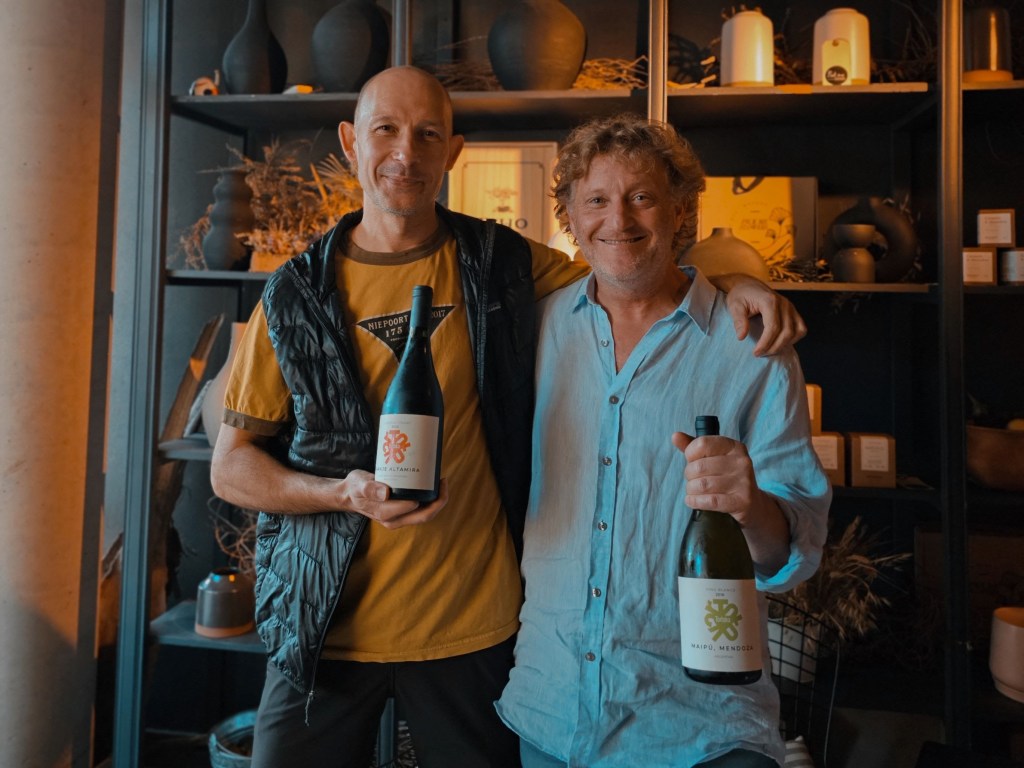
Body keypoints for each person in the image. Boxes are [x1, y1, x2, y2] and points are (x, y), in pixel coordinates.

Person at [209, 66, 806, 768]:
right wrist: (338, 493)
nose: (406, 153)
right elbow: (231, 466)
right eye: (386, 130)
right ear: (349, 141)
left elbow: (627, 265)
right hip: (322, 626)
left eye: (428, 134)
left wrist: (736, 282)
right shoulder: (294, 293)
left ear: (453, 151)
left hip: (474, 634)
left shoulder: (503, 266)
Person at [494, 113, 832, 768]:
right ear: (570, 216)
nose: (617, 219)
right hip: (550, 714)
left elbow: (794, 554)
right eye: (596, 199)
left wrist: (750, 506)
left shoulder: (751, 346)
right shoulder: (531, 332)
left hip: (700, 729)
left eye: (642, 196)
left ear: (681, 210)